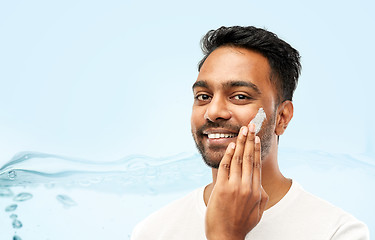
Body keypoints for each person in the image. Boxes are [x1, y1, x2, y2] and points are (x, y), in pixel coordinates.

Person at [131, 26, 369, 240]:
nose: (213, 112)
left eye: (240, 96)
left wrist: (225, 235)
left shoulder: (338, 232)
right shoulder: (152, 232)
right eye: (203, 97)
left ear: (282, 117)